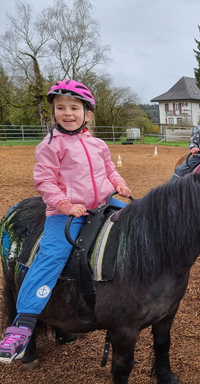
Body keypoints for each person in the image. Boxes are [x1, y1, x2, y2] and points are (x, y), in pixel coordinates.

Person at [0, 80, 132, 363]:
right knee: (51, 255)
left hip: (105, 202)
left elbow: (109, 169)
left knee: (137, 224)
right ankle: (22, 325)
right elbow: (44, 181)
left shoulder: (97, 143)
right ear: (54, 113)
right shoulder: (50, 146)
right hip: (66, 212)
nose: (67, 113)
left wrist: (119, 184)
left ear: (88, 113)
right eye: (61, 108)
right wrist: (64, 205)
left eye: (74, 107)